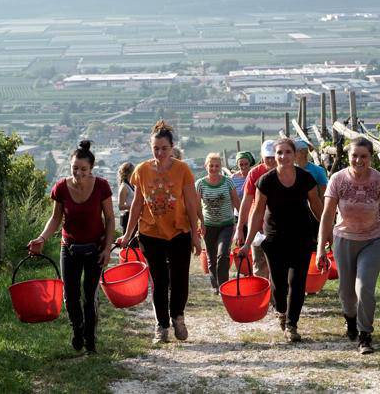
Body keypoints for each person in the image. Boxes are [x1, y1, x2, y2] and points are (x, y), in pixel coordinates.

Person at [316, 137, 380, 355]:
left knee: (363, 287)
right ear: (348, 157)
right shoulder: (337, 179)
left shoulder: (379, 181)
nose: (358, 160)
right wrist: (320, 249)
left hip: (372, 240)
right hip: (344, 239)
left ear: (371, 158)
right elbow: (327, 216)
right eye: (354, 155)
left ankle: (365, 335)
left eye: (363, 156)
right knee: (346, 292)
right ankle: (351, 319)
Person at [118, 120, 202, 344]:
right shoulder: (142, 171)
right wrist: (127, 235)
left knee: (179, 279)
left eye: (164, 148)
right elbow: (136, 204)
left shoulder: (182, 170)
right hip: (150, 232)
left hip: (179, 232)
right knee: (159, 280)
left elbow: (191, 203)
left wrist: (195, 234)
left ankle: (178, 317)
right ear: (150, 147)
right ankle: (161, 325)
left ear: (172, 147)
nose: (160, 152)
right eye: (156, 148)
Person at [28, 140, 114, 354]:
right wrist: (41, 238)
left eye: (83, 169)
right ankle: (77, 329)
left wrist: (106, 248)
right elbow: (55, 218)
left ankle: (91, 341)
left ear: (91, 169)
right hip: (70, 248)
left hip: (95, 249)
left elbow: (110, 219)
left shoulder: (102, 186)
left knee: (89, 296)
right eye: (75, 168)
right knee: (70, 296)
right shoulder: (61, 188)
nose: (79, 172)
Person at [239, 138, 323, 343]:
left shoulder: (305, 178)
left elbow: (316, 205)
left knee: (297, 281)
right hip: (274, 239)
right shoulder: (266, 181)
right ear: (274, 156)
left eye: (287, 152)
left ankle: (292, 324)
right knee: (278, 283)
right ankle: (281, 311)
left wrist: (327, 230)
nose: (283, 156)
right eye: (279, 153)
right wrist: (247, 242)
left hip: (302, 237)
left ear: (295, 155)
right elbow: (257, 212)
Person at [196, 153, 241, 294]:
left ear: (220, 167)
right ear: (206, 166)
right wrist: (200, 223)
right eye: (211, 166)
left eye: (217, 166)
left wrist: (242, 222)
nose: (214, 169)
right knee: (211, 256)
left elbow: (236, 202)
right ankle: (215, 285)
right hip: (209, 225)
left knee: (223, 255)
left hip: (226, 224)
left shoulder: (228, 182)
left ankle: (223, 286)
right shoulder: (200, 184)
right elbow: (196, 206)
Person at [234, 140, 277, 279]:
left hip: (279, 226)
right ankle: (263, 299)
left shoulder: (287, 171)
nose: (270, 160)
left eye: (273, 156)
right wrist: (240, 228)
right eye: (267, 157)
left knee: (278, 267)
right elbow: (246, 201)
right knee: (259, 265)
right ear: (262, 156)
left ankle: (276, 300)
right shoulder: (255, 173)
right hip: (257, 226)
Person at [117, 162, 136, 239]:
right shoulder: (124, 187)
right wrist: (134, 206)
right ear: (130, 173)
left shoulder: (132, 184)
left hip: (134, 215)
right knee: (128, 241)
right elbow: (120, 206)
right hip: (128, 216)